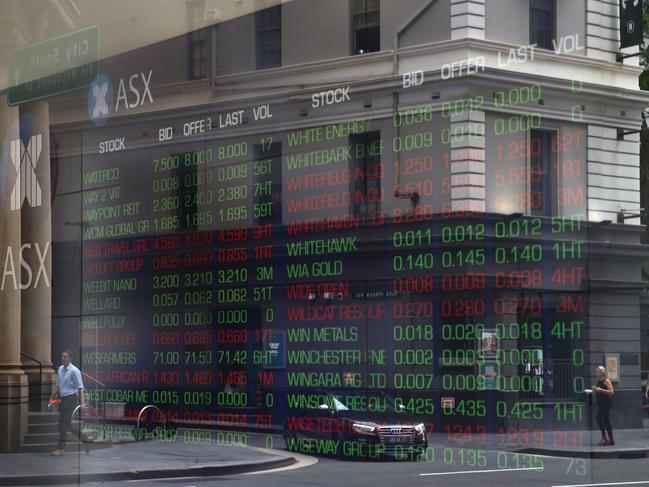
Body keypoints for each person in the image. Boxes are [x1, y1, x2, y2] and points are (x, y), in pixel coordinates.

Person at [49, 350, 85, 456]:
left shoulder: (74, 371)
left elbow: (80, 388)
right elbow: (58, 386)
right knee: (67, 425)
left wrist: (82, 403)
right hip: (63, 399)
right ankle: (85, 439)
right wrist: (52, 397)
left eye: (65, 357)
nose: (63, 358)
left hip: (71, 399)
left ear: (70, 359)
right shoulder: (60, 369)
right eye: (62, 356)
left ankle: (60, 449)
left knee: (62, 425)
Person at [592, 365, 615, 446]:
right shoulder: (600, 380)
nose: (596, 372)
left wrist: (600, 390)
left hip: (606, 403)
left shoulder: (606, 380)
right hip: (601, 403)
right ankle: (609, 439)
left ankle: (605, 438)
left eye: (597, 371)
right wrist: (594, 391)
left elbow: (611, 392)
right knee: (605, 420)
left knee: (600, 419)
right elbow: (600, 391)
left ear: (602, 373)